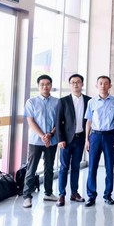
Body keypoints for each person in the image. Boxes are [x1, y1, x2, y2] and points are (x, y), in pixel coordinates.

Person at [22, 75, 60, 208]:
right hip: (35, 141)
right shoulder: (31, 102)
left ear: (51, 86)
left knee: (49, 168)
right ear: (38, 86)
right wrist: (43, 136)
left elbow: (58, 121)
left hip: (52, 140)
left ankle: (48, 193)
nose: (45, 86)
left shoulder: (57, 102)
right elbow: (30, 121)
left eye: (48, 84)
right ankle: (27, 196)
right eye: (42, 84)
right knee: (31, 168)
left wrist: (50, 135)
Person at [55, 73, 91, 207]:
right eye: (73, 82)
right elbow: (58, 121)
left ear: (82, 84)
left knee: (76, 166)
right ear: (70, 85)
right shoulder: (63, 101)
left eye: (78, 82)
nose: (76, 84)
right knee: (64, 167)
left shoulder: (89, 100)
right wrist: (60, 139)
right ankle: (61, 194)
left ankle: (74, 193)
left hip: (80, 139)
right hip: (66, 140)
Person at [84, 76, 114, 206]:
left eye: (106, 83)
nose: (103, 86)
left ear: (110, 86)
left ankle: (108, 195)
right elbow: (89, 121)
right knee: (92, 167)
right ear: (96, 85)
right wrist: (87, 139)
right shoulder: (91, 102)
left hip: (109, 136)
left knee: (109, 168)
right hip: (95, 136)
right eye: (100, 83)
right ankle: (91, 196)